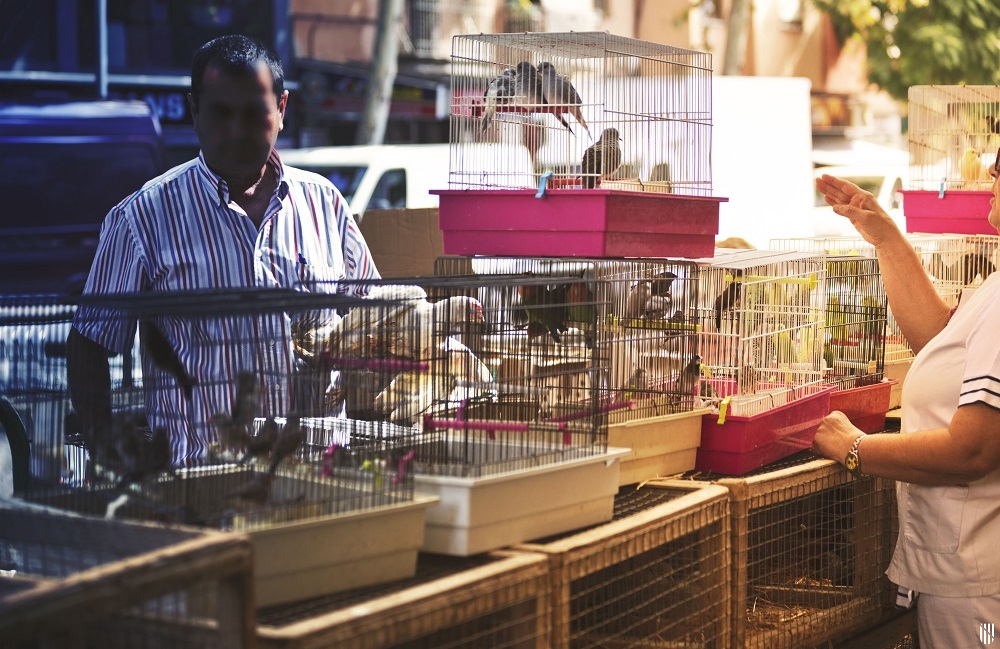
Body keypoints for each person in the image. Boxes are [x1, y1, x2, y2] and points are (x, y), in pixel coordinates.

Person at [67, 34, 380, 467]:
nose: (237, 131)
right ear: (195, 111)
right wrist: (106, 449)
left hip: (321, 476)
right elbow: (89, 342)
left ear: (282, 109)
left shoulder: (324, 203)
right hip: (205, 485)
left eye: (254, 114)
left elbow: (378, 314)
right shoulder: (142, 219)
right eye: (221, 113)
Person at [813, 164, 1000, 648]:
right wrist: (888, 240)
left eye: (998, 170)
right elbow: (942, 345)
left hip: (982, 596)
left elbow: (973, 450)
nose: (990, 183)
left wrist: (856, 447)